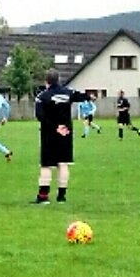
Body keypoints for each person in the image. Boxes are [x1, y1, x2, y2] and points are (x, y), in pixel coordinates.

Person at [32, 70, 94, 205]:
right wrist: (91, 96)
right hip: (65, 132)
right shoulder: (68, 92)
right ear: (58, 79)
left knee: (47, 165)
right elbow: (83, 96)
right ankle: (61, 196)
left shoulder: (42, 97)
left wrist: (54, 127)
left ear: (46, 81)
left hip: (49, 134)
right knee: (63, 163)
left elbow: (40, 116)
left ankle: (43, 196)